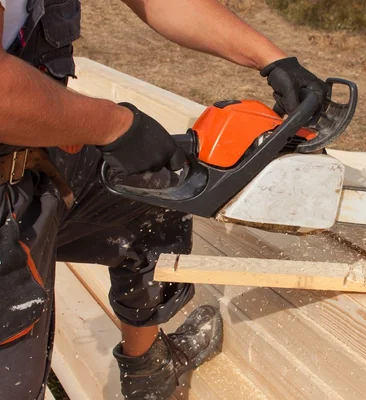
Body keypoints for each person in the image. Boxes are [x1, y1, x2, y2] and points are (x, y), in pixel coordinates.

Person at [0, 0, 331, 399]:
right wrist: (115, 127)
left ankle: (147, 370)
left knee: (155, 193)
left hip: (33, 158)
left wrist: (274, 61)